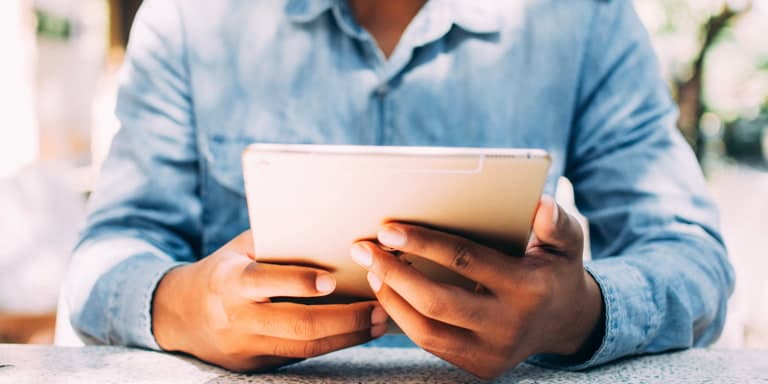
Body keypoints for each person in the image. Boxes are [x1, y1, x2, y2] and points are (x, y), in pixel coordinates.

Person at [63, 0, 734, 379]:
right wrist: (184, 305)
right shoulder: (188, 19)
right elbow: (106, 256)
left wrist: (580, 312)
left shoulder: (586, 19)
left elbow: (692, 258)